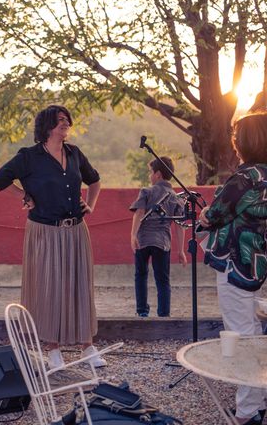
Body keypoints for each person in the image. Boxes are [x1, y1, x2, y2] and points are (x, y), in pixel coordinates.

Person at [0, 105, 104, 369]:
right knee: (50, 287)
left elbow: (95, 181)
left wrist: (91, 204)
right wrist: (24, 196)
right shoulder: (29, 157)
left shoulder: (74, 153)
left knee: (80, 286)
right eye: (59, 120)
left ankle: (87, 346)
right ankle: (53, 349)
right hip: (45, 232)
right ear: (46, 126)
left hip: (76, 230)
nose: (65, 123)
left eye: (67, 119)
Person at [199, 111, 267, 425]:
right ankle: (259, 400)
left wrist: (205, 217)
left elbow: (212, 216)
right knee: (256, 331)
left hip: (238, 266)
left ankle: (248, 411)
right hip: (261, 265)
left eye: (237, 137)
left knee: (243, 335)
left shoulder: (244, 178)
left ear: (246, 142)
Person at [129, 157, 187, 317]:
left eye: (151, 172)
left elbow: (139, 212)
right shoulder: (176, 197)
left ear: (158, 174)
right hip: (163, 242)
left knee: (140, 275)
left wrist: (133, 235)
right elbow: (180, 225)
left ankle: (142, 312)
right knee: (163, 280)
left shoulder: (146, 191)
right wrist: (181, 250)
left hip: (143, 240)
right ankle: (163, 314)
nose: (150, 176)